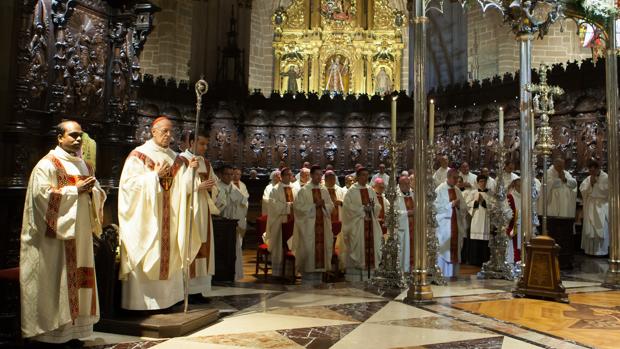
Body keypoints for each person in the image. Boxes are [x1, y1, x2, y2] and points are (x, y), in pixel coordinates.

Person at [20, 120, 106, 345]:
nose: (78, 140)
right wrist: (74, 191)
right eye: (73, 135)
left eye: (80, 136)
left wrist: (94, 192)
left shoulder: (85, 165)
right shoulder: (47, 165)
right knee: (58, 281)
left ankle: (76, 332)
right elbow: (41, 198)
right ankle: (53, 334)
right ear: (60, 137)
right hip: (55, 239)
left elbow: (96, 192)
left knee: (79, 280)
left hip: (81, 237)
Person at [118, 116, 195, 310]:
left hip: (171, 218)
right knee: (149, 250)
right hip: (149, 218)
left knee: (171, 253)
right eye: (164, 131)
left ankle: (168, 299)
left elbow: (182, 189)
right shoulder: (139, 155)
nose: (168, 135)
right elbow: (128, 187)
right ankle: (142, 304)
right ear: (153, 131)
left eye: (171, 132)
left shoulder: (175, 158)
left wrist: (190, 173)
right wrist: (154, 177)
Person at [180, 130, 218, 298]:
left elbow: (215, 185)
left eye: (206, 144)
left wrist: (211, 188)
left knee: (204, 245)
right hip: (188, 211)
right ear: (191, 143)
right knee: (190, 245)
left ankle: (199, 290)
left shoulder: (206, 164)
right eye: (201, 144)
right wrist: (196, 187)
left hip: (203, 209)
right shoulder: (181, 160)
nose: (205, 147)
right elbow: (177, 187)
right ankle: (186, 290)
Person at [292, 165, 334, 278]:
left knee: (320, 256)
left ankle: (319, 280)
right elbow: (298, 208)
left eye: (321, 175)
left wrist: (325, 206)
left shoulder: (324, 190)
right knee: (309, 254)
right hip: (308, 229)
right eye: (317, 174)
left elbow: (331, 206)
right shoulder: (304, 191)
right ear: (311, 175)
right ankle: (307, 279)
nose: (319, 177)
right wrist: (315, 206)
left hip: (322, 228)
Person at [341, 167, 383, 281]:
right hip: (357, 225)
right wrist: (362, 209)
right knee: (359, 249)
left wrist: (373, 208)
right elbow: (347, 208)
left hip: (370, 224)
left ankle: (370, 277)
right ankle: (356, 277)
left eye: (367, 175)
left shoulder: (371, 191)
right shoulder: (351, 191)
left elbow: (378, 206)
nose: (365, 177)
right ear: (358, 177)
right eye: (363, 175)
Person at [215, 164, 249, 281]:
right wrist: (225, 200)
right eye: (227, 174)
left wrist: (240, 201)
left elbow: (243, 204)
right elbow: (215, 205)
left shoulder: (234, 188)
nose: (230, 177)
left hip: (232, 225)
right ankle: (219, 275)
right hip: (220, 225)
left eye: (231, 174)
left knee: (233, 250)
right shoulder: (217, 187)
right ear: (221, 174)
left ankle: (232, 274)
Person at [265, 168, 298, 277]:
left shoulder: (295, 189)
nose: (290, 177)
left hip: (293, 221)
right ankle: (278, 272)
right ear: (282, 176)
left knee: (294, 244)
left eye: (291, 175)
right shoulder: (275, 190)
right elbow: (274, 206)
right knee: (280, 245)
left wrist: (294, 207)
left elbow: (299, 203)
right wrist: (290, 207)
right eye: (287, 175)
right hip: (279, 222)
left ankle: (292, 271)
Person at [435, 169, 467, 278]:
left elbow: (464, 208)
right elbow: (436, 208)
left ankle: (454, 275)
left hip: (456, 225)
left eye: (457, 178)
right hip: (445, 227)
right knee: (444, 251)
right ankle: (442, 275)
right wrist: (450, 205)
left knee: (455, 250)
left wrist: (458, 206)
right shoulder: (439, 190)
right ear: (448, 177)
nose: (456, 180)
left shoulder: (457, 190)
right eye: (454, 177)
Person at [580, 160, 609, 256]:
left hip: (601, 206)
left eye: (593, 170)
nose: (591, 173)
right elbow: (583, 190)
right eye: (590, 170)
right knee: (591, 228)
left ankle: (602, 251)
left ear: (597, 168)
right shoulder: (588, 179)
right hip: (590, 206)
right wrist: (590, 184)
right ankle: (590, 251)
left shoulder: (606, 177)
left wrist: (595, 185)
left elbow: (608, 192)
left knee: (602, 228)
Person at [467, 175, 493, 266]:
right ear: (477, 183)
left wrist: (484, 202)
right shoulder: (473, 193)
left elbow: (493, 206)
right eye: (481, 181)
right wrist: (476, 202)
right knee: (475, 240)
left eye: (484, 181)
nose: (483, 183)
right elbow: (467, 205)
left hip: (486, 219)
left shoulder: (490, 193)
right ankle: (474, 261)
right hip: (476, 218)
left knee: (485, 241)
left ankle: (484, 260)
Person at [396, 175, 414, 272]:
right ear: (400, 185)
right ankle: (403, 272)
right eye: (406, 184)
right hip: (403, 230)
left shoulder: (413, 194)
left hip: (413, 230)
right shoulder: (395, 196)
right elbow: (393, 213)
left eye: (409, 183)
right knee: (403, 252)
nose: (408, 186)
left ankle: (412, 271)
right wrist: (407, 213)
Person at [506, 178, 522, 265]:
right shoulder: (511, 196)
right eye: (518, 186)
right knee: (515, 246)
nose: (520, 188)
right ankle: (515, 261)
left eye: (521, 186)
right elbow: (509, 212)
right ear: (515, 186)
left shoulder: (526, 197)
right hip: (515, 224)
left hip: (523, 224)